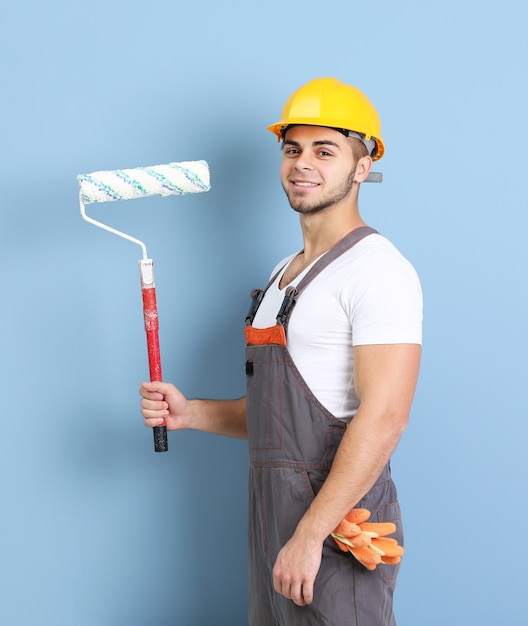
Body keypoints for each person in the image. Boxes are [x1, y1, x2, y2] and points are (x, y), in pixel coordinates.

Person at [140, 77, 423, 625]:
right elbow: (281, 421)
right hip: (274, 520)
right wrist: (192, 413)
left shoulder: (378, 270)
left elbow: (386, 415)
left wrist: (311, 533)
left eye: (325, 150)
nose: (303, 163)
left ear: (362, 167)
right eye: (292, 149)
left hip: (337, 526)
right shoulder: (280, 276)